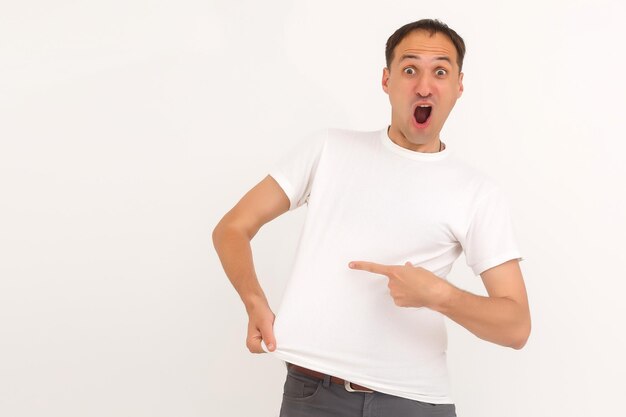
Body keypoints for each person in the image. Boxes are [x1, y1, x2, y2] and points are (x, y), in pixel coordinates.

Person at [213, 18, 531, 417]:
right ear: (387, 80)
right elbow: (232, 227)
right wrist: (254, 300)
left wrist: (440, 296)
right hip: (313, 394)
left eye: (441, 71)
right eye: (410, 68)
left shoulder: (478, 193)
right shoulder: (328, 149)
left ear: (458, 86)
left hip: (415, 402)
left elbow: (516, 325)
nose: (424, 85)